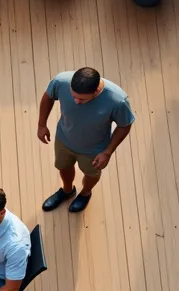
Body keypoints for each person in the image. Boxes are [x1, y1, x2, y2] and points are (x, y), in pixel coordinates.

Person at [36, 67, 136, 213]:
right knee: (63, 167)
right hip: (64, 140)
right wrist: (41, 125)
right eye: (73, 96)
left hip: (94, 150)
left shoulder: (118, 101)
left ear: (96, 91)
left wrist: (107, 152)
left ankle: (85, 193)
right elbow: (48, 96)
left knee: (91, 175)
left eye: (82, 99)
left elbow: (124, 125)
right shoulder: (61, 82)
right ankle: (67, 190)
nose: (76, 101)